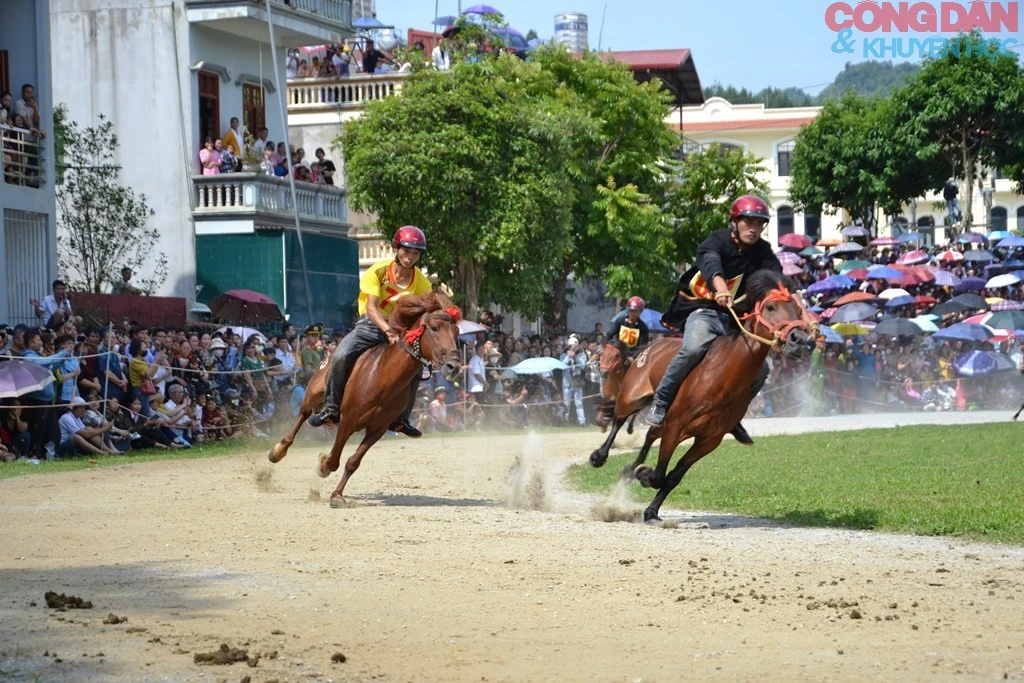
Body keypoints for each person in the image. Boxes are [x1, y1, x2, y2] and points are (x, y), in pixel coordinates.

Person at [645, 194, 783, 445]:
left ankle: (733, 416)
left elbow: (776, 280)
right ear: (735, 221)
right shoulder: (715, 241)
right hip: (703, 310)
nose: (753, 228)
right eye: (748, 222)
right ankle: (661, 402)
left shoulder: (762, 250)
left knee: (761, 369)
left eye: (759, 223)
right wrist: (721, 289)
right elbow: (712, 267)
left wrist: (795, 302)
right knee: (692, 349)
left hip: (733, 316)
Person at [307, 226, 432, 436]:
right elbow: (371, 308)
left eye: (415, 253)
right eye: (406, 250)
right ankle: (331, 408)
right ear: (396, 248)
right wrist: (387, 329)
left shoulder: (422, 283)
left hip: (399, 332)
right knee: (340, 355)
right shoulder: (379, 270)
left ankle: (401, 420)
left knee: (416, 367)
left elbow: (424, 313)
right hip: (371, 326)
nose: (410, 257)